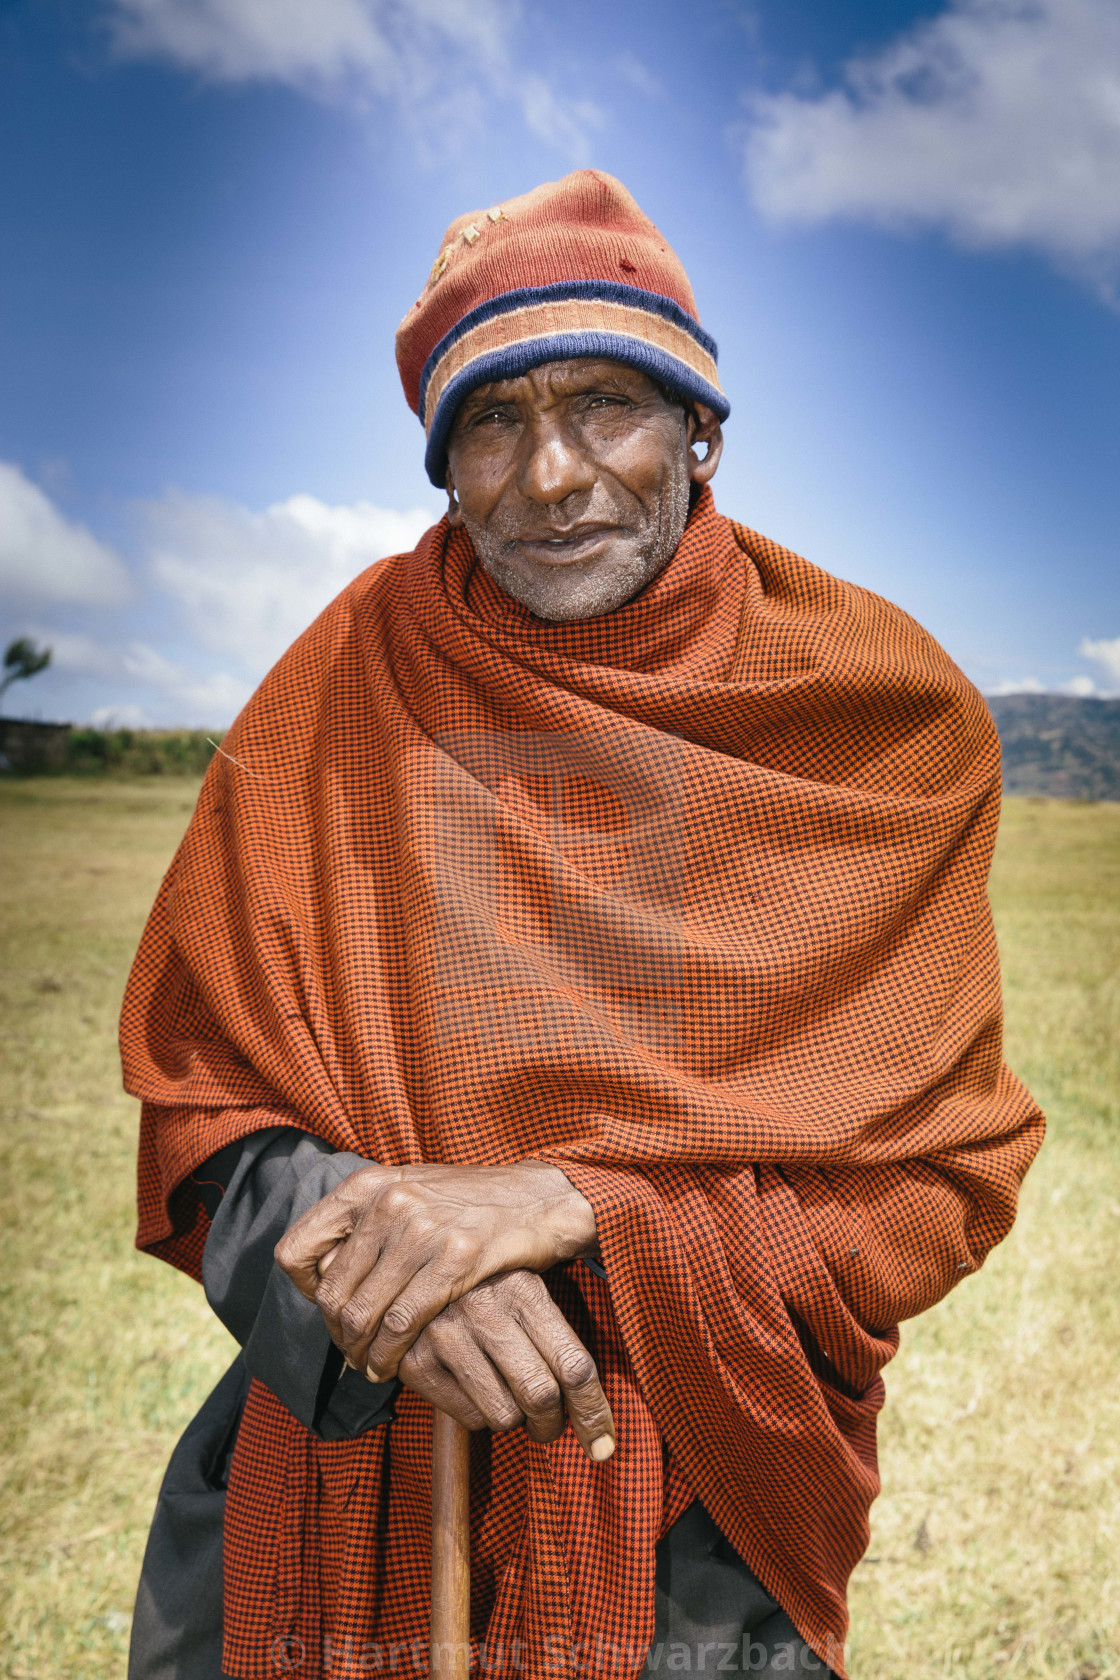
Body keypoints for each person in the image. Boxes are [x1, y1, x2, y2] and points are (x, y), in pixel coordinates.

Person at [121, 171, 1044, 1680]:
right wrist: (393, 1275)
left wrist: (575, 1205)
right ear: (446, 468)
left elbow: (933, 1186)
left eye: (606, 403)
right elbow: (202, 1121)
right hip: (330, 1479)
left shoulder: (877, 720)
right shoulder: (342, 689)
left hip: (694, 1523)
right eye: (493, 421)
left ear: (704, 431)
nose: (551, 474)